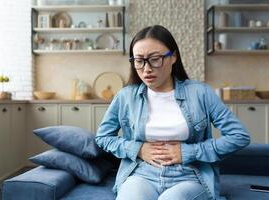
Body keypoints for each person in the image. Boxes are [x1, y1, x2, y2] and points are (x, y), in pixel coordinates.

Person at [95, 25, 250, 200]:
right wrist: (137, 149)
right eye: (139, 60)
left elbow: (239, 136)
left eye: (155, 59)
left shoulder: (201, 93)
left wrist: (190, 152)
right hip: (141, 174)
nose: (146, 69)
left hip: (189, 175)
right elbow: (103, 137)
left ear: (173, 57)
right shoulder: (125, 96)